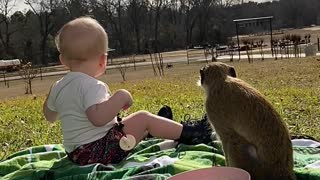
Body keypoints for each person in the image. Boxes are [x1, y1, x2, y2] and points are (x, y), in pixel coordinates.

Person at [43, 16, 211, 166]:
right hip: (98, 152)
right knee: (143, 117)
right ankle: (192, 133)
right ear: (103, 60)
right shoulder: (91, 86)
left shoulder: (58, 86)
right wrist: (121, 96)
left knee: (124, 123)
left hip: (76, 154)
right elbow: (98, 119)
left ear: (62, 60)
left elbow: (50, 116)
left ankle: (154, 129)